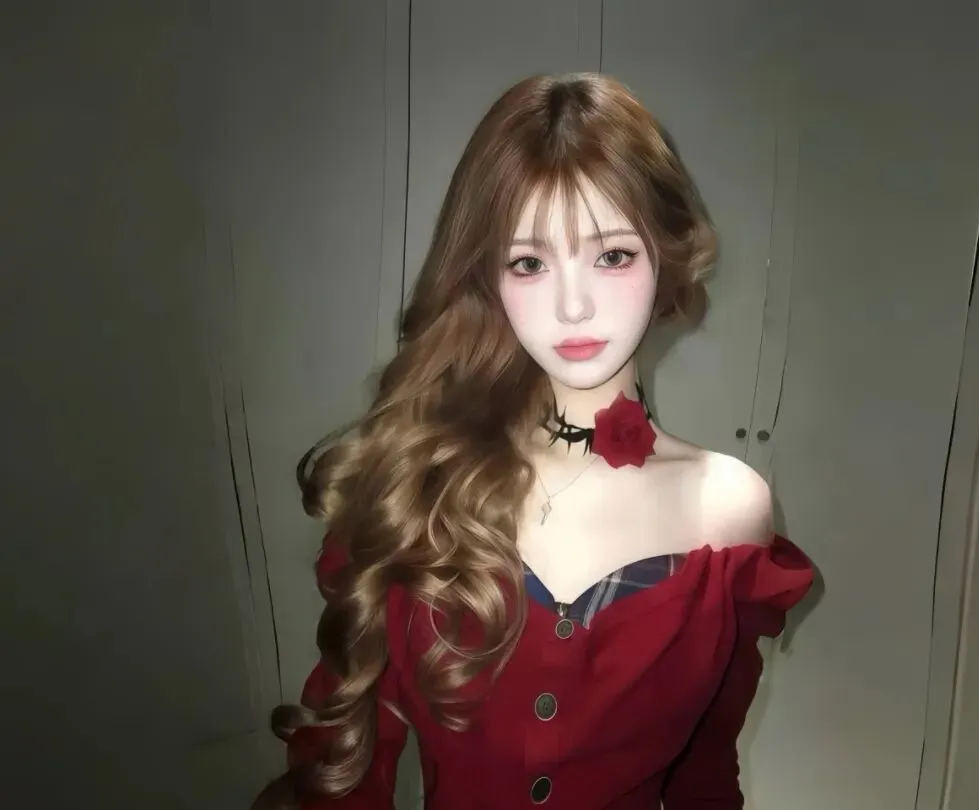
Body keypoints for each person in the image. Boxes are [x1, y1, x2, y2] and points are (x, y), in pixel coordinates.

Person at [254, 72, 814, 810]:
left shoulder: (730, 510)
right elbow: (343, 770)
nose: (573, 305)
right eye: (529, 263)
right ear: (486, 279)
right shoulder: (416, 484)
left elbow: (705, 779)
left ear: (666, 256)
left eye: (612, 255)